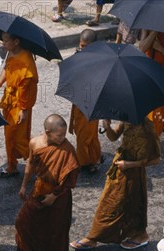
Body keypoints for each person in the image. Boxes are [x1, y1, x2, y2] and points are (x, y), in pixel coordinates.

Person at [70, 118, 161, 251]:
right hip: (120, 168)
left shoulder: (147, 127)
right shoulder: (126, 120)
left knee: (131, 204)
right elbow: (113, 137)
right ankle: (95, 237)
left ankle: (138, 235)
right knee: (111, 202)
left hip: (133, 171)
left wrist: (130, 165)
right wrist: (107, 126)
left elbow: (156, 159)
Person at [16, 114, 80, 251]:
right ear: (48, 132)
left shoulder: (67, 150)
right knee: (24, 221)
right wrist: (24, 185)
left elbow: (69, 179)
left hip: (59, 194)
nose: (62, 138)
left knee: (54, 230)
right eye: (59, 135)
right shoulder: (35, 143)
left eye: (64, 134)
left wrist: (54, 195)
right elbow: (30, 163)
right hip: (39, 189)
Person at [0, 33, 38, 178]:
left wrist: (24, 110)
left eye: (6, 41)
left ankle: (37, 162)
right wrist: (0, 83)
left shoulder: (26, 61)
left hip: (20, 104)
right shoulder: (12, 53)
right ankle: (12, 166)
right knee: (9, 136)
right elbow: (7, 68)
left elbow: (26, 89)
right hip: (10, 101)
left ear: (16, 41)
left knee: (17, 138)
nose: (3, 44)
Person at [68, 29, 103, 174]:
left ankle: (87, 162)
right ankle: (95, 157)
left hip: (90, 104)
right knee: (85, 134)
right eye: (81, 46)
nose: (83, 49)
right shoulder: (78, 57)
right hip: (79, 102)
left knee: (86, 137)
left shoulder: (100, 62)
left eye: (86, 47)